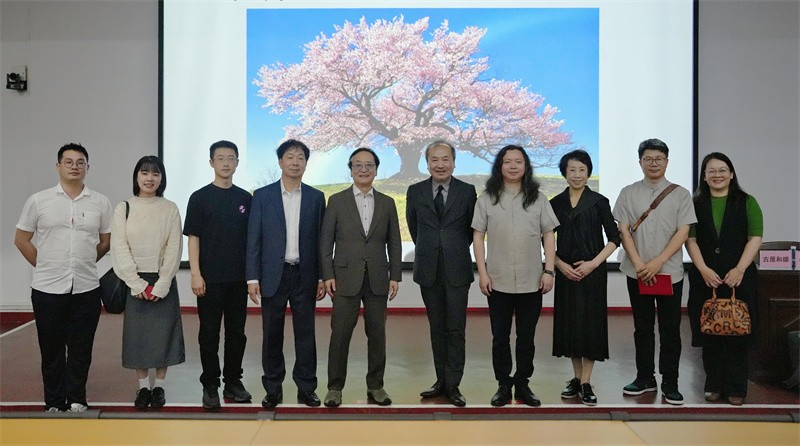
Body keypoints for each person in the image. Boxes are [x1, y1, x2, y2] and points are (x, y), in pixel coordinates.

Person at [14, 143, 113, 413]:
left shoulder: (100, 202)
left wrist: (83, 263)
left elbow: (105, 241)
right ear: (58, 166)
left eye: (80, 162)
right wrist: (45, 265)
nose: (74, 167)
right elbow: (21, 239)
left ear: (88, 167)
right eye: (68, 162)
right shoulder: (38, 200)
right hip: (47, 288)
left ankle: (77, 399)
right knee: (51, 350)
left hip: (86, 287)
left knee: (81, 349)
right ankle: (54, 403)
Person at [471, 145, 558, 407]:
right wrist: (483, 273)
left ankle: (522, 383)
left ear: (525, 166)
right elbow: (478, 236)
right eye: (507, 161)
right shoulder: (487, 199)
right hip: (497, 281)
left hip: (533, 280)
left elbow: (549, 234)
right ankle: (502, 384)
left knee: (526, 338)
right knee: (500, 337)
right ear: (500, 166)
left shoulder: (538, 199)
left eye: (518, 162)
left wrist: (549, 270)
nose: (513, 166)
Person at [612, 138, 696, 405]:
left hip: (669, 272)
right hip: (636, 271)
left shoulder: (681, 194)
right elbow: (624, 230)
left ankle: (671, 383)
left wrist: (659, 261)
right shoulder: (628, 192)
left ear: (667, 162)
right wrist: (639, 264)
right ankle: (645, 378)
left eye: (659, 158)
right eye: (648, 159)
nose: (653, 163)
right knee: (642, 327)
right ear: (640, 162)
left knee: (670, 330)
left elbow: (683, 231)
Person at [319, 147, 402, 407]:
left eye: (369, 165)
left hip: (378, 278)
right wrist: (327, 274)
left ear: (376, 170)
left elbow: (395, 242)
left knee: (377, 336)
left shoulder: (387, 202)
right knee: (340, 335)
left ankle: (376, 386)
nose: (363, 169)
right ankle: (334, 388)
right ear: (351, 169)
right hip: (344, 278)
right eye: (358, 165)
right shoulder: (337, 201)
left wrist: (395, 275)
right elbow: (325, 242)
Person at [246, 139, 326, 409]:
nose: (295, 162)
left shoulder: (316, 197)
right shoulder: (262, 196)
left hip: (305, 275)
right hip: (272, 275)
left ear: (306, 163)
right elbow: (254, 239)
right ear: (280, 162)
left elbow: (321, 241)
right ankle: (273, 388)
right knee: (272, 334)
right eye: (290, 157)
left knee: (306, 335)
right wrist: (252, 278)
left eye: (301, 157)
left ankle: (307, 388)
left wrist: (321, 276)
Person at [685, 152, 762, 406]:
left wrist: (740, 269)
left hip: (739, 277)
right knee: (710, 330)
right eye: (711, 171)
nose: (717, 175)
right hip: (706, 277)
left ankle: (737, 387)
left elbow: (755, 237)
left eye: (722, 170)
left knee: (738, 330)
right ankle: (714, 384)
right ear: (704, 176)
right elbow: (690, 240)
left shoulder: (747, 201)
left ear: (731, 174)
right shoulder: (695, 203)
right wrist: (703, 269)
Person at [406, 140, 477, 407]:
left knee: (456, 328)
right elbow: (414, 228)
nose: (440, 165)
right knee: (436, 327)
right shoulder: (415, 191)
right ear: (427, 163)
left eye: (445, 159)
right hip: (428, 269)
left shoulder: (467, 191)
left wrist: (450, 248)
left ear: (454, 162)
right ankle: (440, 381)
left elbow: (471, 230)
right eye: (434, 160)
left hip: (457, 268)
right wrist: (432, 249)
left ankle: (453, 384)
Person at [111, 155, 185, 409]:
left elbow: (174, 248)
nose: (149, 178)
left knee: (164, 336)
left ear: (162, 178)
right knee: (138, 338)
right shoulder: (124, 208)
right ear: (136, 176)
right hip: (135, 281)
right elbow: (119, 247)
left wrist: (162, 284)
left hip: (163, 279)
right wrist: (137, 283)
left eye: (155, 173)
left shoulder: (170, 208)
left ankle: (159, 387)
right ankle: (143, 388)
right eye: (144, 173)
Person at [184, 140, 252, 409]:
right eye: (220, 158)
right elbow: (193, 238)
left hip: (238, 280)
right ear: (211, 162)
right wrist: (195, 274)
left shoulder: (245, 199)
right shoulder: (199, 197)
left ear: (237, 163)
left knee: (237, 334)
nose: (226, 163)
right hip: (209, 280)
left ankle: (233, 383)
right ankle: (210, 385)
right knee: (209, 335)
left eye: (231, 158)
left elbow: (252, 241)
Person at [549, 150, 620, 406]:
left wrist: (592, 264)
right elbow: (545, 238)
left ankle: (587, 382)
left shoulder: (599, 201)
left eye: (582, 169)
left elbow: (614, 239)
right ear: (564, 173)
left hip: (593, 274)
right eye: (572, 170)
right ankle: (576, 378)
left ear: (588, 172)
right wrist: (559, 265)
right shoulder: (555, 203)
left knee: (590, 326)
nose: (577, 175)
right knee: (570, 325)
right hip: (566, 273)